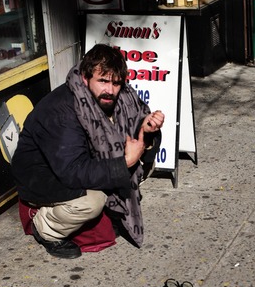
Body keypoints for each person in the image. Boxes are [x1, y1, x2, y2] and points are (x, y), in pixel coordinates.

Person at [12, 44, 165, 259]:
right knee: (92, 202)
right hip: (43, 176)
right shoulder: (63, 111)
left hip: (73, 165)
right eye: (102, 81)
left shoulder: (119, 98)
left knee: (140, 164)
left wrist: (146, 131)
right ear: (85, 78)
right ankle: (45, 228)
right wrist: (125, 162)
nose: (110, 90)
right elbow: (73, 172)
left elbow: (134, 134)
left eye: (116, 83)